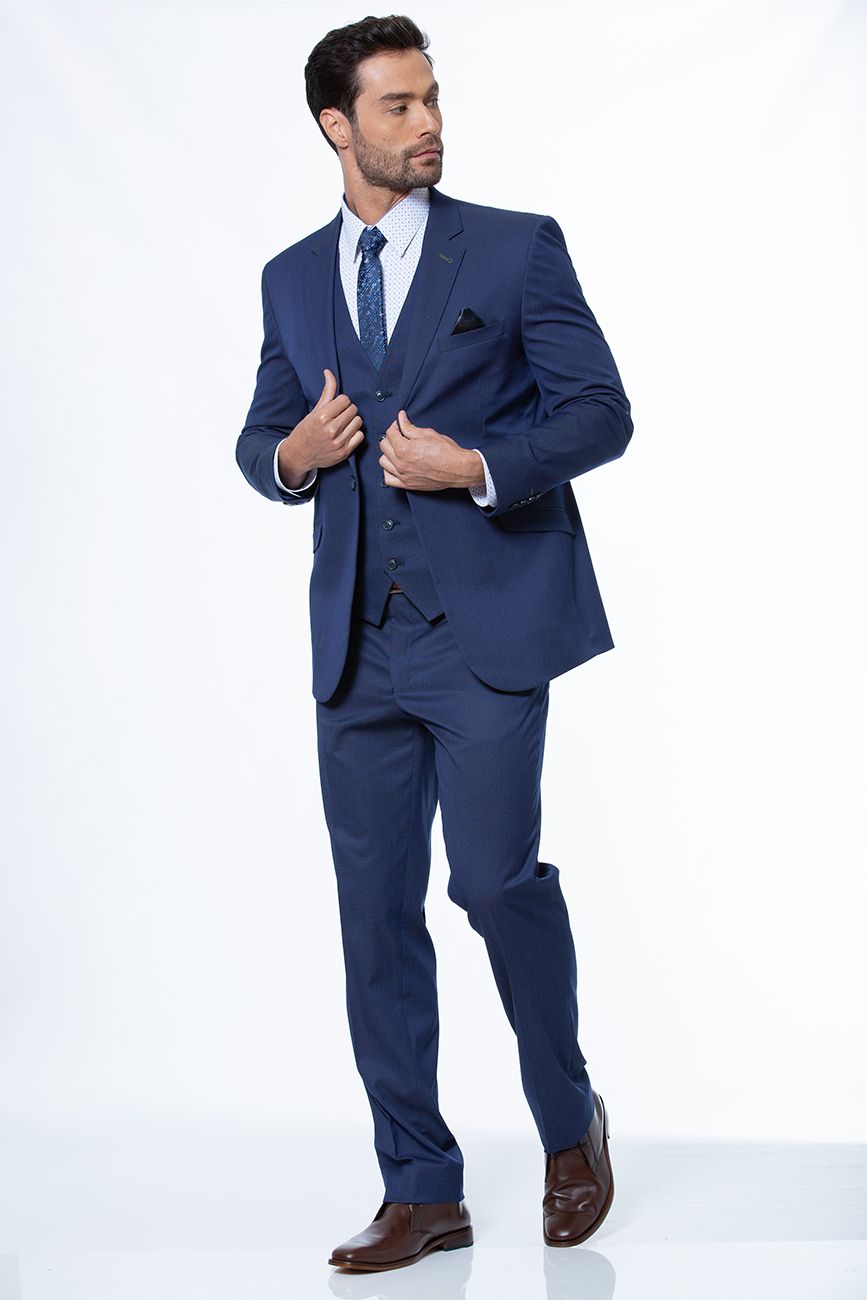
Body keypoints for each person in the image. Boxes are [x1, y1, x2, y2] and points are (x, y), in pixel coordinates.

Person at [236, 15, 632, 1273]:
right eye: (398, 106)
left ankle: (569, 1118)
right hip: (357, 647)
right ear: (336, 126)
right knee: (374, 916)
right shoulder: (291, 278)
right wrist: (291, 457)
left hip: (485, 634)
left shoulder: (514, 249)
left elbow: (602, 412)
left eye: (432, 99)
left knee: (494, 882)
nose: (429, 125)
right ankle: (421, 1185)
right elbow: (261, 433)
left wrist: (478, 465)